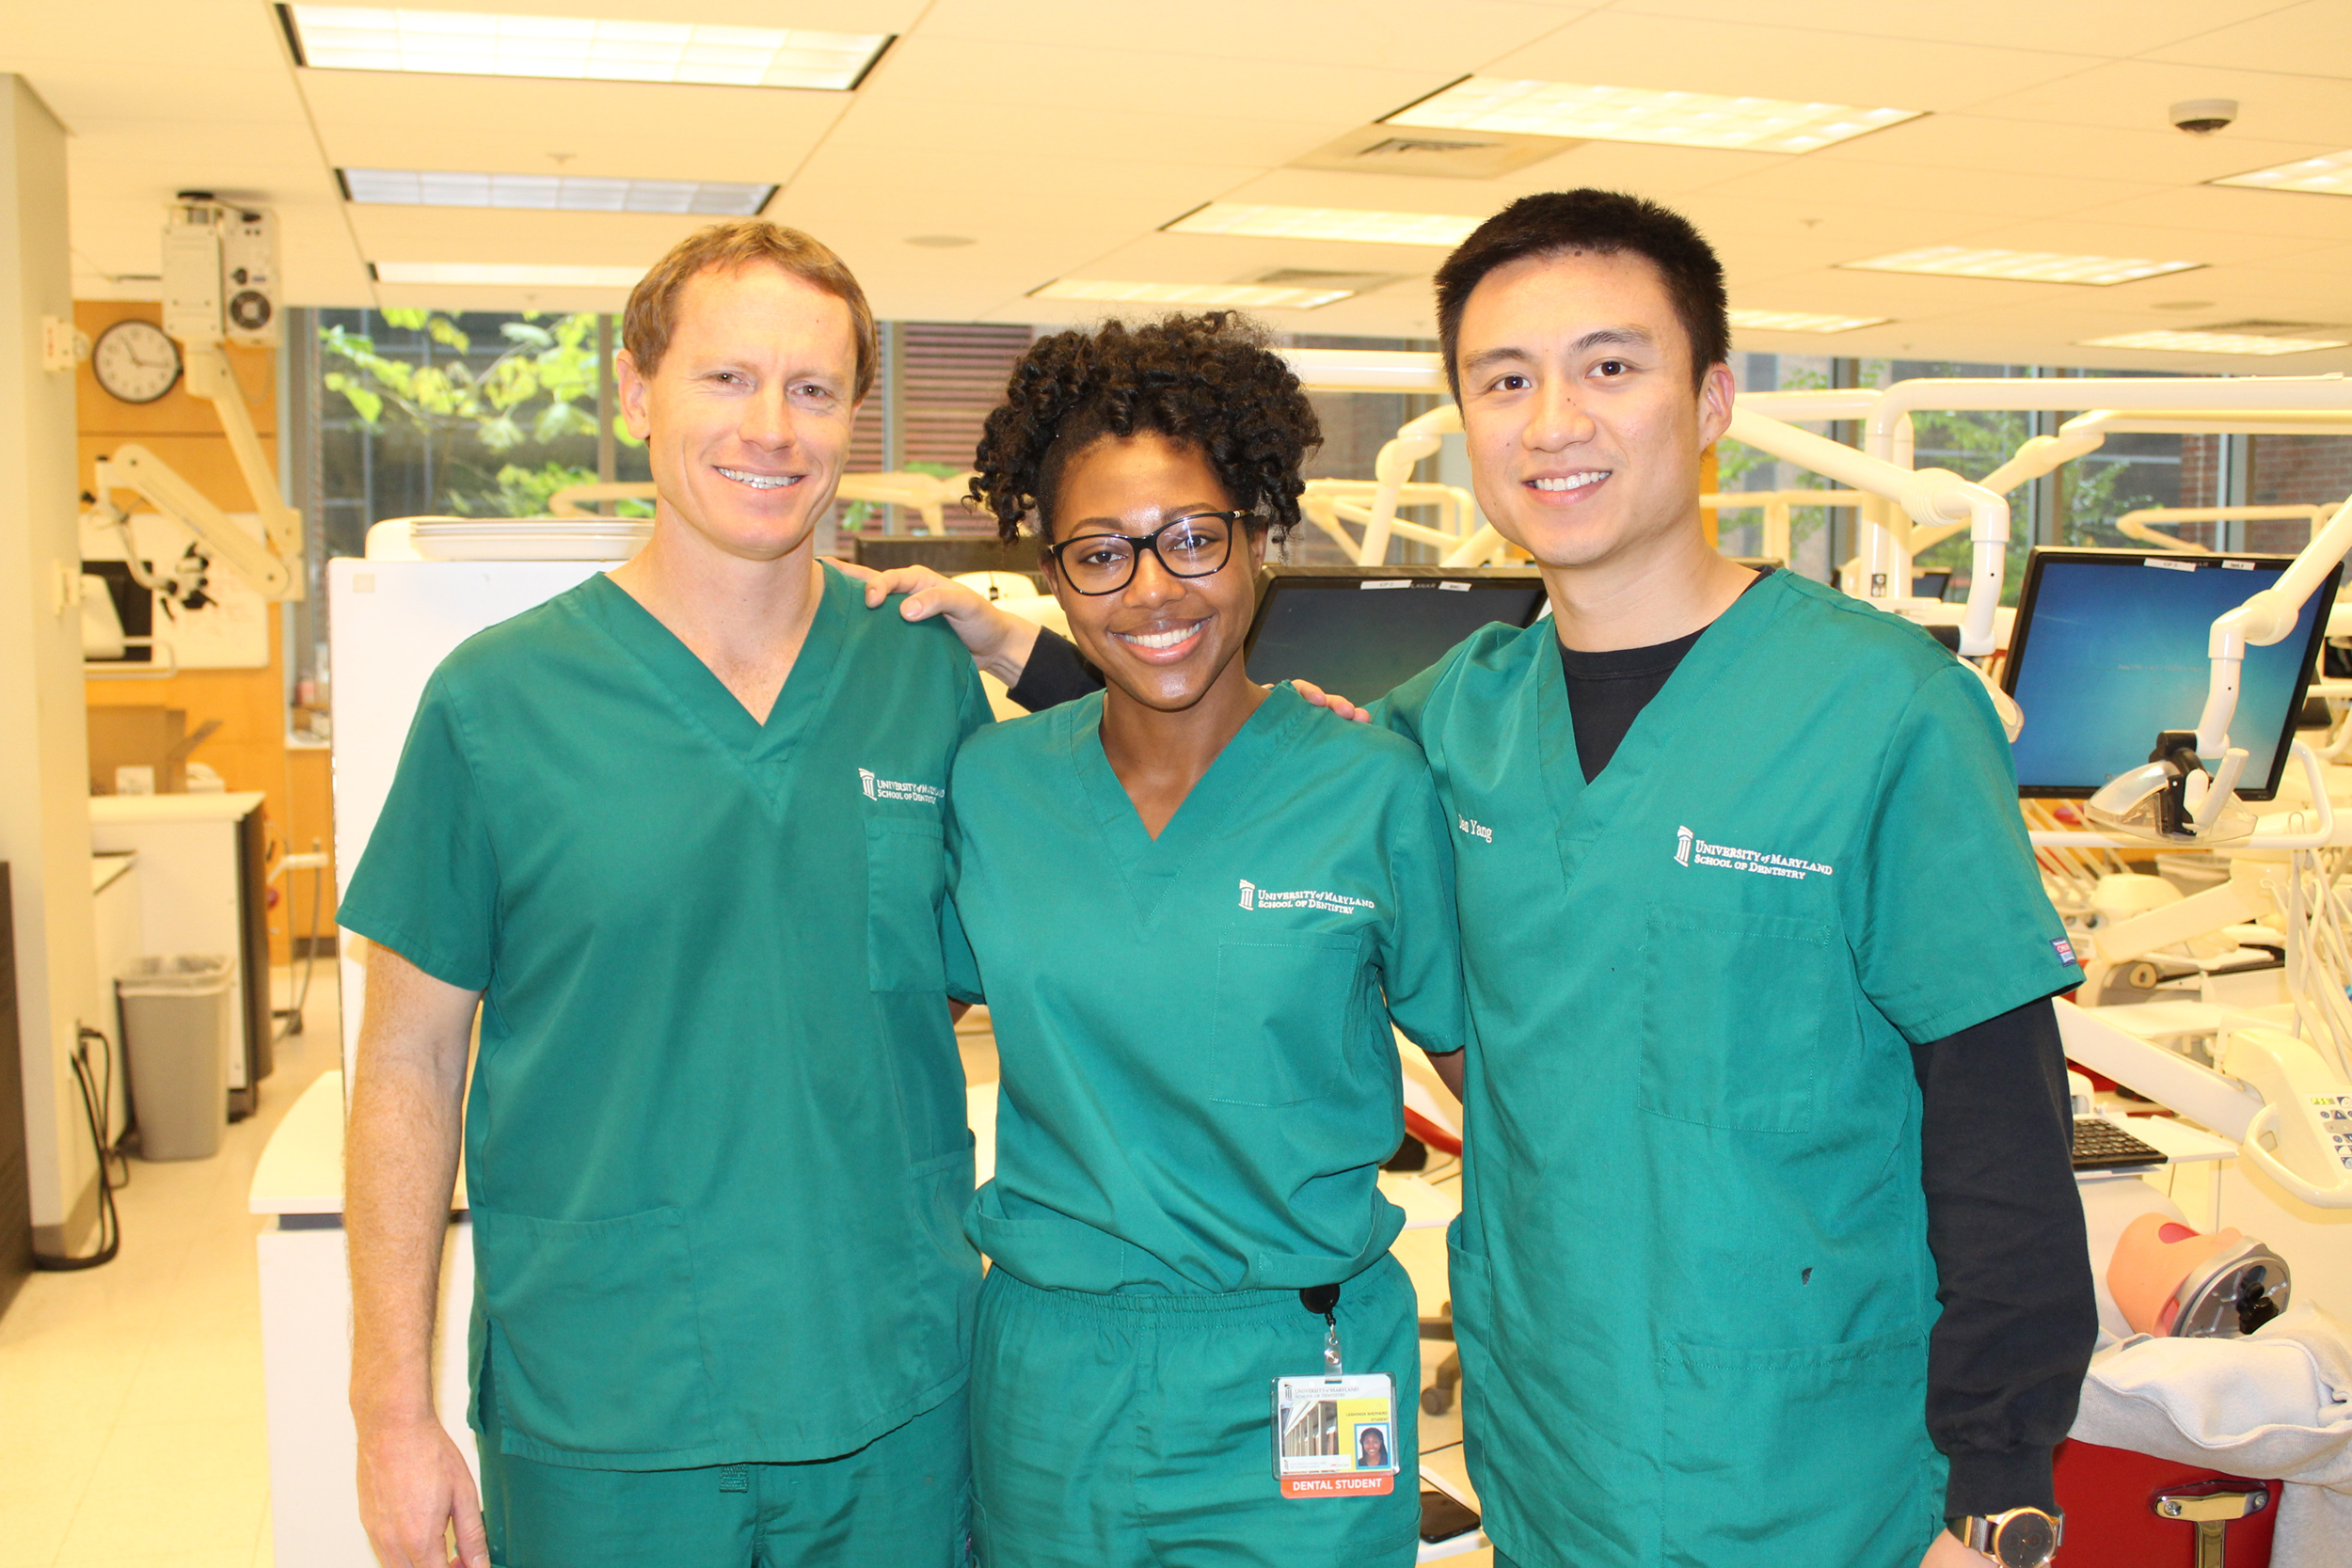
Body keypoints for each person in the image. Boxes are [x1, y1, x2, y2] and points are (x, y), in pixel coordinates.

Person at [870, 191, 2098, 1568]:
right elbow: (1205, 762)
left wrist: (1999, 1486)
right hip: (1551, 1438)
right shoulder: (1447, 725)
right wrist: (1031, 652)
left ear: (1711, 401)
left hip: (1818, 1452)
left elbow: (2001, 1121)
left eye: (1609, 367)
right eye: (1505, 380)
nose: (1553, 421)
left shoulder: (1886, 710)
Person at [339, 220, 988, 1568]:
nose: (774, 428)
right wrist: (388, 1411)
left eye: (815, 391)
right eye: (726, 379)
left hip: (895, 1393)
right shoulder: (497, 701)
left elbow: (1129, 831)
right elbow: (406, 1058)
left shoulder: (920, 674)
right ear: (635, 391)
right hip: (608, 1414)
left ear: (854, 420)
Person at [936, 313, 1466, 1567]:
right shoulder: (995, 792)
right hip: (1056, 1380)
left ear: (1261, 534)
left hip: (1311, 1357)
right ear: (1053, 579)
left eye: (1191, 537)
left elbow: (1498, 1089)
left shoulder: (1372, 789)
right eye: (1100, 554)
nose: (1155, 588)